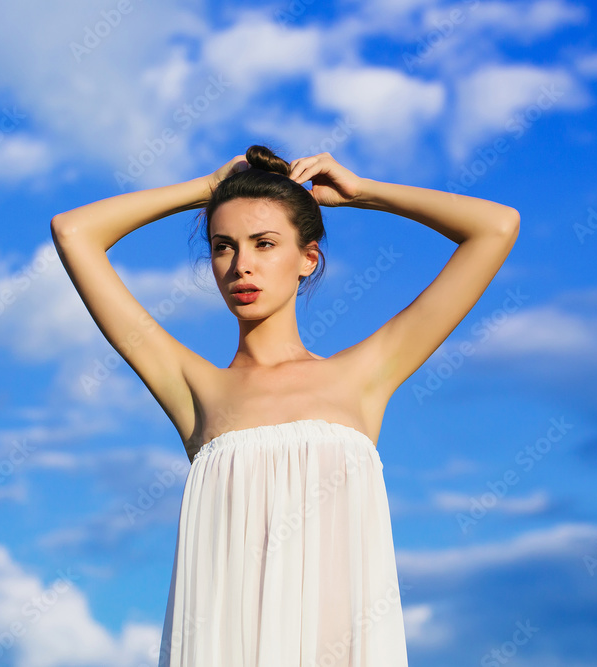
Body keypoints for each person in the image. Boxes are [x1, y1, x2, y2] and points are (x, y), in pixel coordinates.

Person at [50, 145, 519, 666]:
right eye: (223, 247)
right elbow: (74, 232)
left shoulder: (362, 376)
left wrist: (364, 192)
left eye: (264, 243)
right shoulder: (196, 390)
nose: (241, 266)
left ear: (308, 258)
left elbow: (495, 227)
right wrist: (205, 188)